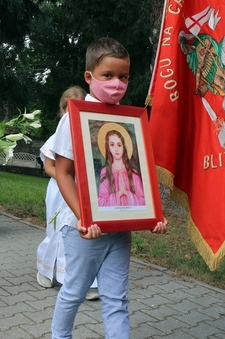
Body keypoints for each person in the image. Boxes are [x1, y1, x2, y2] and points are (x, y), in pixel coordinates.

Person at [50, 37, 167, 339]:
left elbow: (140, 180)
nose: (117, 84)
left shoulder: (130, 121)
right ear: (89, 77)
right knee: (74, 292)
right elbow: (62, 172)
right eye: (108, 76)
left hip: (120, 228)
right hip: (83, 229)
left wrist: (152, 215)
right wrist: (84, 217)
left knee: (116, 298)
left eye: (124, 77)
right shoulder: (73, 119)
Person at [36, 86, 98, 299]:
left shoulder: (91, 136)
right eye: (68, 108)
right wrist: (67, 178)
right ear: (62, 110)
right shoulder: (57, 137)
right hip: (59, 189)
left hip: (83, 190)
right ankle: (46, 269)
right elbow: (49, 167)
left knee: (80, 229)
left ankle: (82, 279)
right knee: (57, 229)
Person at [97, 123, 145, 207]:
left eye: (119, 145)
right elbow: (101, 203)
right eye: (112, 145)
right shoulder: (105, 172)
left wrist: (128, 194)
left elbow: (144, 201)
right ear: (108, 148)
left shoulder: (133, 173)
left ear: (124, 147)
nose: (116, 149)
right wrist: (117, 195)